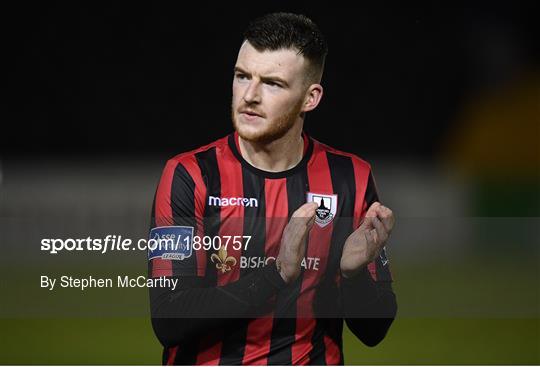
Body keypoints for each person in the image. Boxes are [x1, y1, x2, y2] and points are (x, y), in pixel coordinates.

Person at [148, 12, 397, 365]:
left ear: (310, 98)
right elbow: (168, 318)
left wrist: (353, 275)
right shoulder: (190, 175)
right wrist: (276, 274)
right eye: (241, 76)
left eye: (273, 84)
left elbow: (375, 331)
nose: (249, 95)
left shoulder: (350, 178)